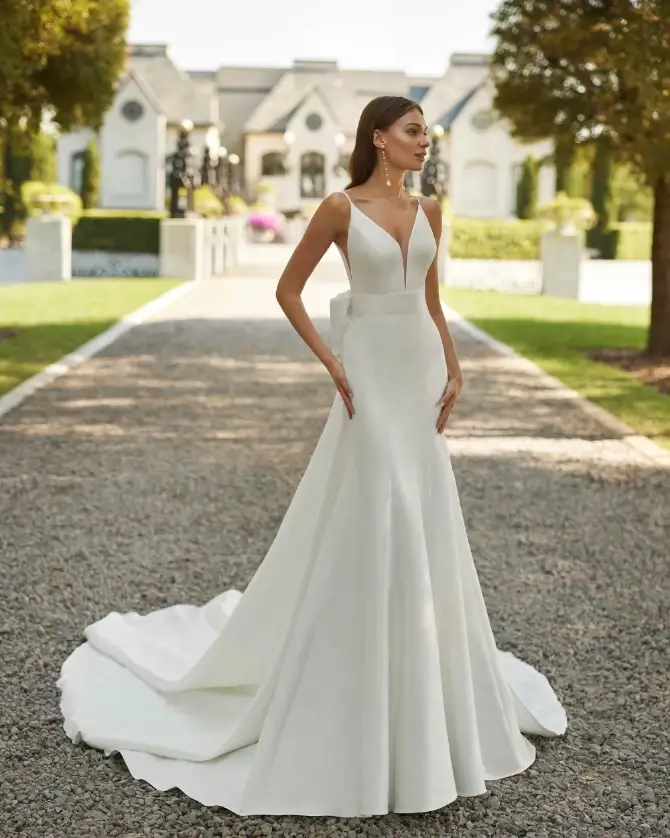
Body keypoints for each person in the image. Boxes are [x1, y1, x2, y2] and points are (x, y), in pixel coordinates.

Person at [58, 96, 567, 818]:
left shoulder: (431, 211)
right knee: (379, 501)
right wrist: (332, 362)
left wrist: (456, 367)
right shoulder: (337, 208)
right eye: (414, 131)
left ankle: (419, 686)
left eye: (427, 131)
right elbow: (288, 289)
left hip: (416, 369)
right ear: (379, 139)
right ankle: (357, 688)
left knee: (418, 507)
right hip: (367, 374)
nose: (425, 141)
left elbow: (430, 297)